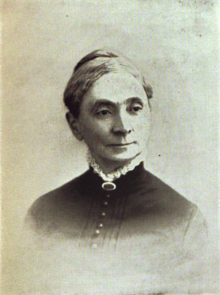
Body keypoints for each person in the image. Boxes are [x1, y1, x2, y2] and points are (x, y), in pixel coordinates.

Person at [25, 49, 208, 294]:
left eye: (134, 108)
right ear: (75, 126)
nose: (123, 128)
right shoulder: (43, 214)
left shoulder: (183, 220)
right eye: (104, 112)